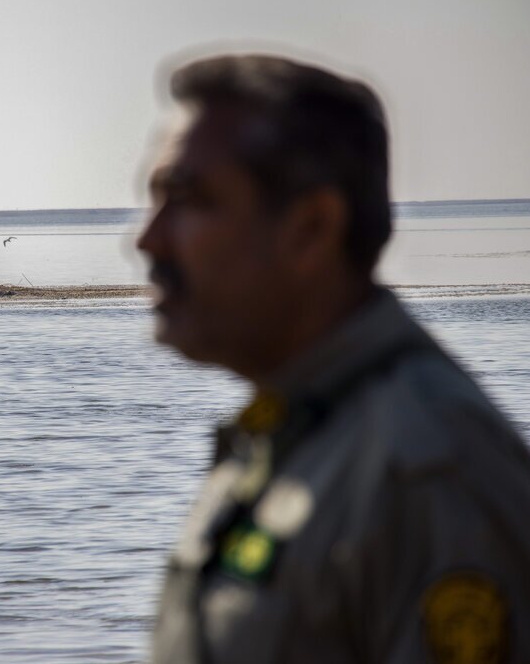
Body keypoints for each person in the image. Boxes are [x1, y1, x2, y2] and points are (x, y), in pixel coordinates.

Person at [136, 53, 530, 664]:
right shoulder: (292, 438)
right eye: (155, 198)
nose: (147, 238)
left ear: (312, 228)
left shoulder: (428, 468)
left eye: (190, 200)